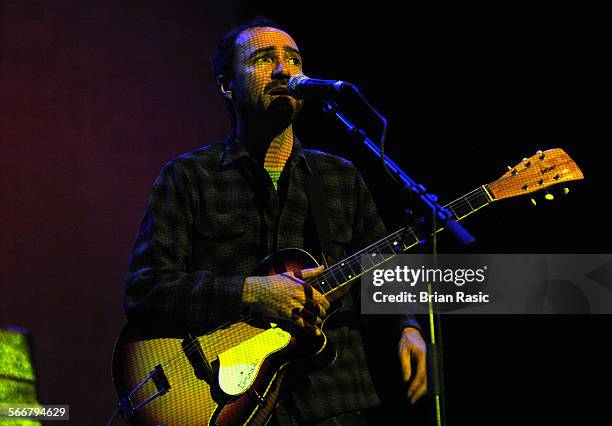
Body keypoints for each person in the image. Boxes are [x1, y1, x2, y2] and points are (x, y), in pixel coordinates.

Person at [124, 16, 427, 425]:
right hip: (225, 403)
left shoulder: (340, 176)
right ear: (225, 85)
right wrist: (252, 292)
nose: (286, 70)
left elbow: (383, 267)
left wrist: (407, 326)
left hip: (334, 400)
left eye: (295, 60)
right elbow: (145, 292)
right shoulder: (188, 177)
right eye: (264, 59)